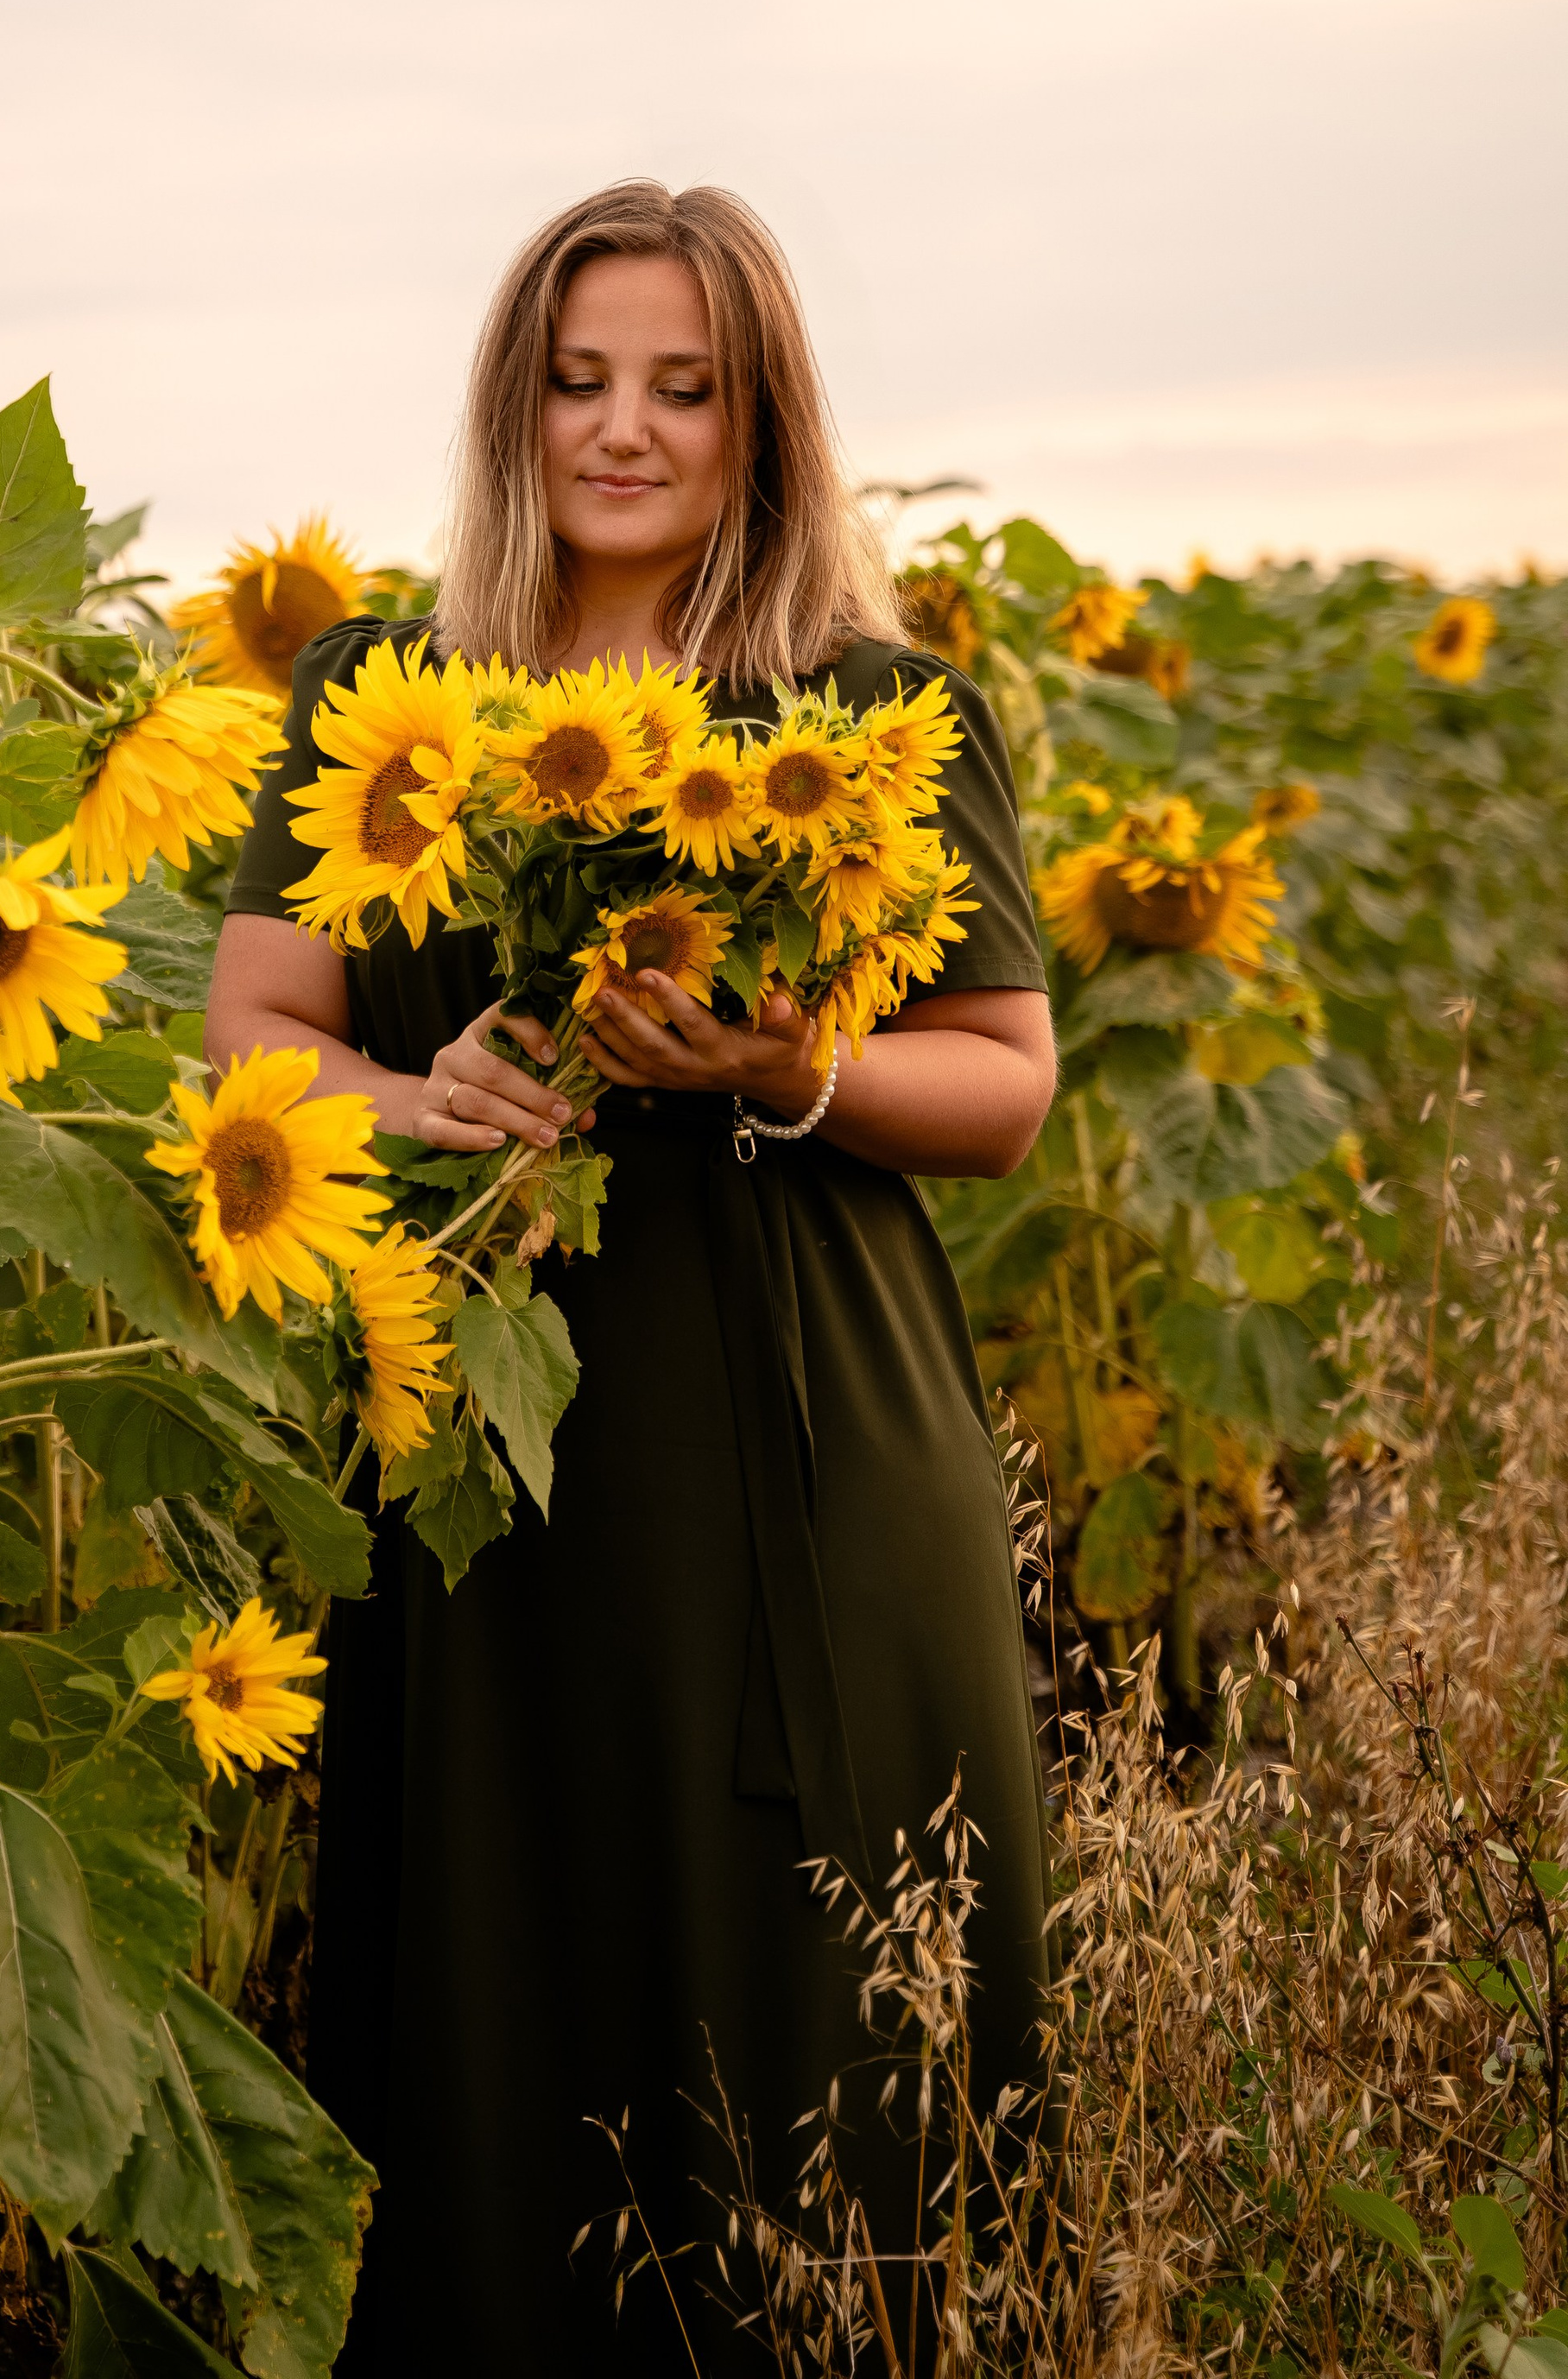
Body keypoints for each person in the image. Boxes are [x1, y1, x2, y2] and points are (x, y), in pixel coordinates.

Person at [209, 182, 1058, 2376]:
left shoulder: (867, 711)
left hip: (803, 1427)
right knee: (507, 1985)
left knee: (811, 1993)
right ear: (514, 406)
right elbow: (254, 1035)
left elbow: (1001, 1085)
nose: (621, 430)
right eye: (578, 381)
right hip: (480, 1439)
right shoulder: (378, 697)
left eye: (680, 389)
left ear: (758, 422)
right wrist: (421, 1100)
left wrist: (788, 1067)